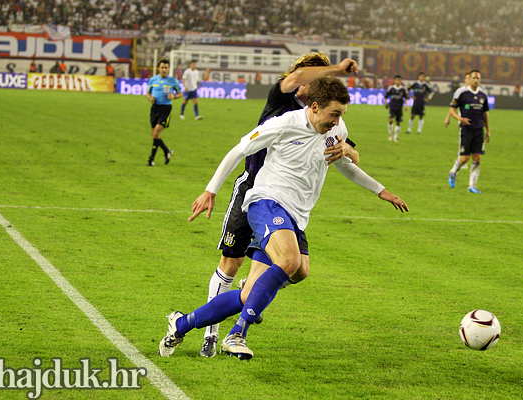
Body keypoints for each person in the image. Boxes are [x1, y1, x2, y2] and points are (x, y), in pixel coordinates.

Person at [158, 77, 408, 360]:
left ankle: (180, 324)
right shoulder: (283, 124)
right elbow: (238, 150)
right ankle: (236, 333)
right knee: (289, 261)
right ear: (314, 107)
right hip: (266, 201)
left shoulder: (336, 128)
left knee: (294, 274)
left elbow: (342, 163)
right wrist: (210, 191)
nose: (337, 120)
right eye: (334, 113)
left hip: (296, 215)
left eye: (341, 115)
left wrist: (380, 190)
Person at [195, 52, 360, 358]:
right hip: (251, 190)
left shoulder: (323, 117)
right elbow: (296, 78)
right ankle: (210, 333)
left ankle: (253, 293)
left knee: (296, 268)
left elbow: (352, 154)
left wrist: (347, 151)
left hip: (284, 202)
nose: (303, 82)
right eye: (304, 75)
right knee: (230, 263)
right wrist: (338, 68)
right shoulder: (282, 100)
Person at [447, 70, 491, 194]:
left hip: (479, 130)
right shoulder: (462, 93)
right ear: (470, 79)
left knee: (477, 157)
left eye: (478, 78)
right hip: (466, 130)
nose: (476, 80)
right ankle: (453, 171)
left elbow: (485, 113)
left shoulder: (483, 94)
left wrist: (488, 130)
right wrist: (460, 119)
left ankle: (472, 185)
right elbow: (452, 110)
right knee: (465, 158)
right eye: (474, 78)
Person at [145, 60, 182, 166]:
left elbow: (180, 93)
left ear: (168, 69)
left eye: (166, 68)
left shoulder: (173, 81)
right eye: (162, 67)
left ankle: (151, 159)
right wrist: (150, 98)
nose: (164, 70)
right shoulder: (153, 80)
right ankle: (167, 151)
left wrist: (174, 96)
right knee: (154, 136)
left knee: (156, 132)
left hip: (166, 109)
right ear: (159, 68)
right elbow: (148, 93)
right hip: (155, 108)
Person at [384, 75, 409, 142]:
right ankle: (390, 134)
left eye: (399, 80)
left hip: (399, 108)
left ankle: (395, 137)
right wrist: (385, 103)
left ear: (400, 81)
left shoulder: (403, 89)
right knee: (391, 120)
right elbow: (386, 96)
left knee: (398, 122)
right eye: (396, 80)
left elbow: (406, 97)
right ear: (394, 80)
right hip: (392, 107)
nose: (398, 81)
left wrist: (406, 105)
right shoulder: (391, 88)